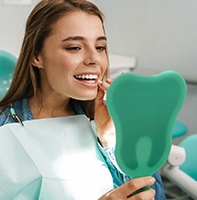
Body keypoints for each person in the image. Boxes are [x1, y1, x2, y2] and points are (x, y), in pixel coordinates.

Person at [0, 0, 166, 199]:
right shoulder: (6, 129)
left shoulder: (116, 126)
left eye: (100, 47)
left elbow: (154, 195)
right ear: (37, 56)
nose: (94, 59)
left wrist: (111, 142)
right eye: (74, 47)